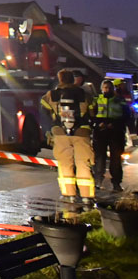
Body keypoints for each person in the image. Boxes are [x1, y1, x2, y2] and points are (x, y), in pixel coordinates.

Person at [41, 68, 95, 205]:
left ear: (60, 80)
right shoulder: (84, 94)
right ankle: (87, 196)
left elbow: (44, 110)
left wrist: (51, 128)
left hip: (60, 134)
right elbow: (93, 111)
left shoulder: (51, 94)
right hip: (81, 133)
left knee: (65, 164)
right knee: (83, 164)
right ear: (72, 79)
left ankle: (69, 195)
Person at [92, 79, 129, 191]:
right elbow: (91, 114)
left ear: (113, 89)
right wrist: (98, 124)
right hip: (100, 132)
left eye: (109, 88)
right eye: (105, 88)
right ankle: (98, 181)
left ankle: (116, 183)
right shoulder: (96, 100)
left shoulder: (120, 100)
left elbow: (126, 115)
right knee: (99, 158)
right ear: (101, 89)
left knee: (116, 159)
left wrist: (114, 124)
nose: (106, 90)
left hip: (116, 132)